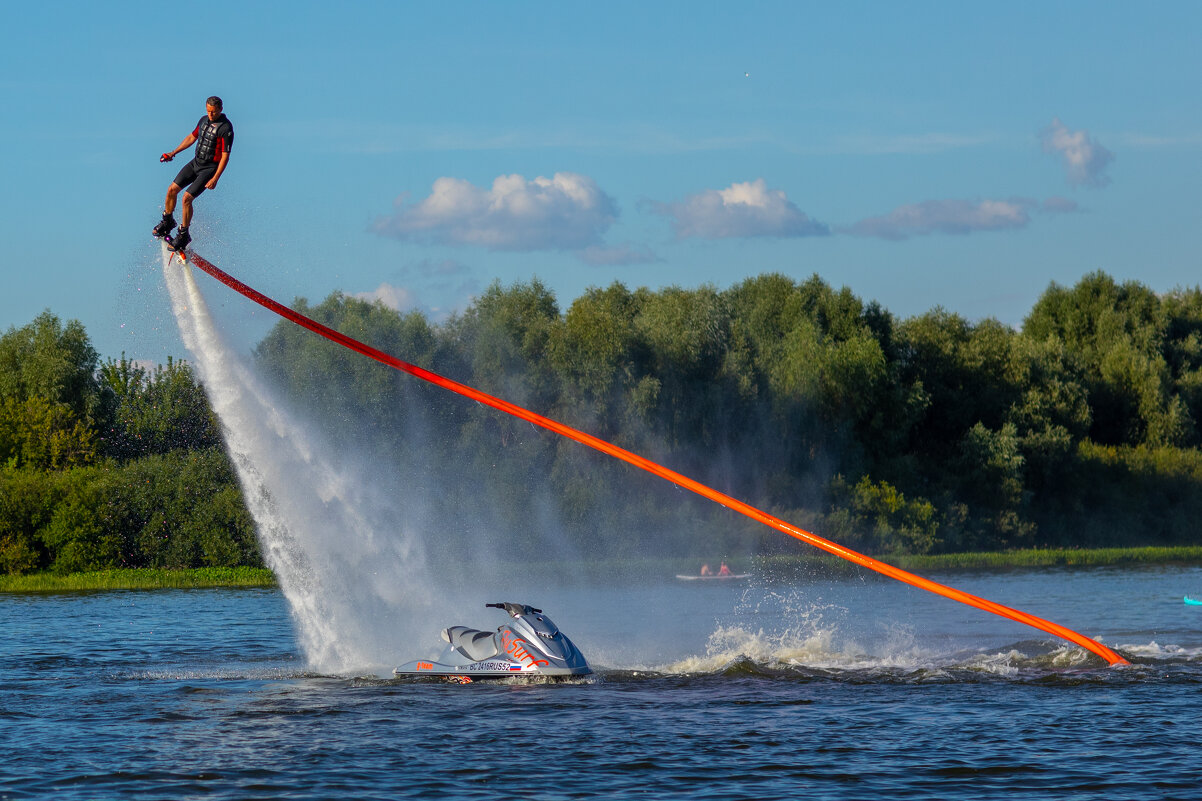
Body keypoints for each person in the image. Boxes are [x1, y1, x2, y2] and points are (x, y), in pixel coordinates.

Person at [152, 96, 234, 252]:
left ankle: (183, 234)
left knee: (186, 198)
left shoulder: (226, 128)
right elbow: (191, 137)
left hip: (209, 169)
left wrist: (216, 178)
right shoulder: (203, 120)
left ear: (220, 110)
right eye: (208, 111)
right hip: (195, 163)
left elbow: (225, 156)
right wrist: (173, 152)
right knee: (172, 190)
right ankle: (167, 220)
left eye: (214, 112)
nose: (211, 115)